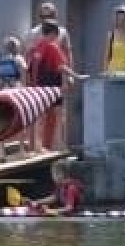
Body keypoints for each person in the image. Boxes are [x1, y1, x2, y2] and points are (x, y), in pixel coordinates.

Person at [26, 20, 84, 153]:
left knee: (39, 118)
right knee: (57, 117)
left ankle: (38, 147)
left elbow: (28, 68)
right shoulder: (53, 46)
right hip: (52, 89)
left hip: (38, 88)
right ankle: (56, 147)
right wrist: (76, 76)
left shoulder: (37, 47)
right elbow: (61, 66)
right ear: (54, 33)